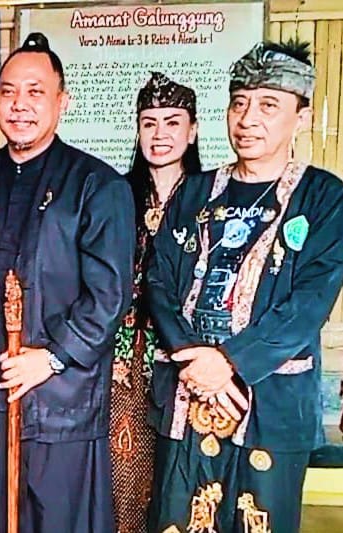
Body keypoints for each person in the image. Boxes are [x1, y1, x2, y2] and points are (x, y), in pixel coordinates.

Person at [147, 40, 343, 533]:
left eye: (268, 105)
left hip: (271, 401)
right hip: (187, 395)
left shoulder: (324, 197)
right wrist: (196, 360)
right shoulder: (195, 191)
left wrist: (229, 362)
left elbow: (309, 304)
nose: (248, 119)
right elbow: (159, 281)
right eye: (240, 103)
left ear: (301, 117)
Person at [0, 33, 135, 533]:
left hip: (62, 399)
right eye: (8, 92)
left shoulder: (96, 184)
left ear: (62, 101)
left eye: (35, 92)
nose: (20, 105)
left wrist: (51, 357)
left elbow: (109, 296)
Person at [109, 71, 202, 533]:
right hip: (122, 362)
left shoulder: (210, 198)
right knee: (123, 478)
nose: (160, 134)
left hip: (187, 363)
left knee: (182, 485)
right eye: (149, 123)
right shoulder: (115, 194)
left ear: (193, 130)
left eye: (172, 122)